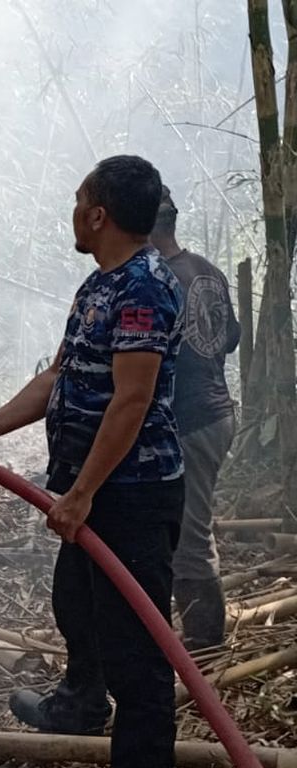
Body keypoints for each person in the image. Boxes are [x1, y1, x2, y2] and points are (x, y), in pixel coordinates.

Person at [0, 155, 183, 768]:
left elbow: (131, 399)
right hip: (92, 492)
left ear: (98, 214)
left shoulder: (144, 288)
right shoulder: (99, 285)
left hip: (129, 496)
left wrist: (82, 494)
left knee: (138, 654)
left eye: (79, 201)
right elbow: (60, 376)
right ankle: (80, 703)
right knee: (77, 607)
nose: (72, 212)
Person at [149, 185, 240, 651]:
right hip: (216, 412)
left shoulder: (157, 278)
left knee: (190, 538)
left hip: (192, 420)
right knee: (185, 527)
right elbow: (230, 339)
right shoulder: (206, 269)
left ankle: (204, 647)